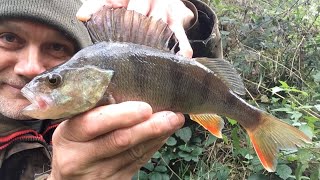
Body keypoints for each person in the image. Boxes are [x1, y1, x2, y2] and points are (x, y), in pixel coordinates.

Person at [0, 0, 223, 179]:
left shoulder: (80, 107)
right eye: (8, 38)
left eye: (57, 47)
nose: (30, 68)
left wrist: (193, 23)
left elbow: (192, 85)